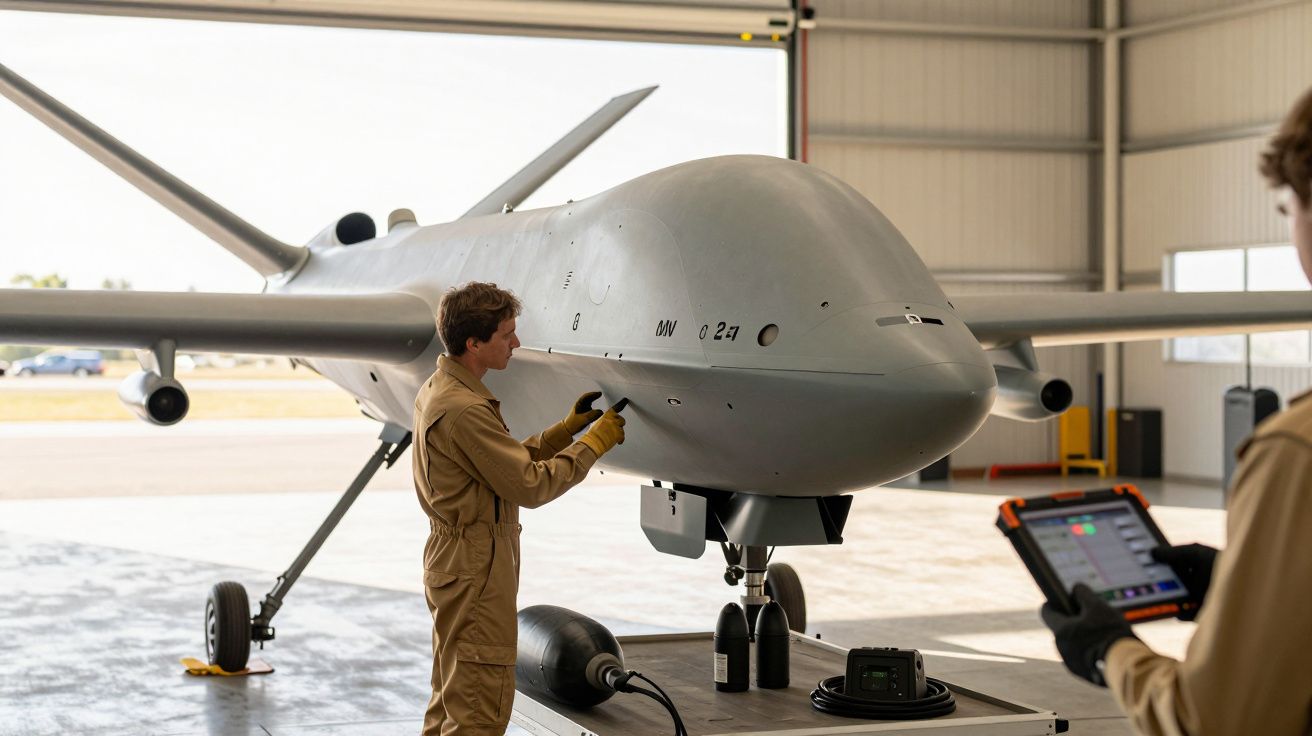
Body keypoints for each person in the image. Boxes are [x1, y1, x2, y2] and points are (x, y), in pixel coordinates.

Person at [1040, 86, 1312, 735]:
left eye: (1291, 205)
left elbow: (1223, 721)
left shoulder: (1297, 454)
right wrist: (1240, 590)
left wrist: (1111, 653)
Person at [412, 281, 626, 735]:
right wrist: (595, 443)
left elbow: (495, 464)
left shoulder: (444, 388)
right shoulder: (464, 409)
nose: (516, 343)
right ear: (474, 343)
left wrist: (563, 432)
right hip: (475, 566)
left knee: (452, 699)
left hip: (460, 561)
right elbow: (530, 486)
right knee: (477, 711)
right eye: (507, 334)